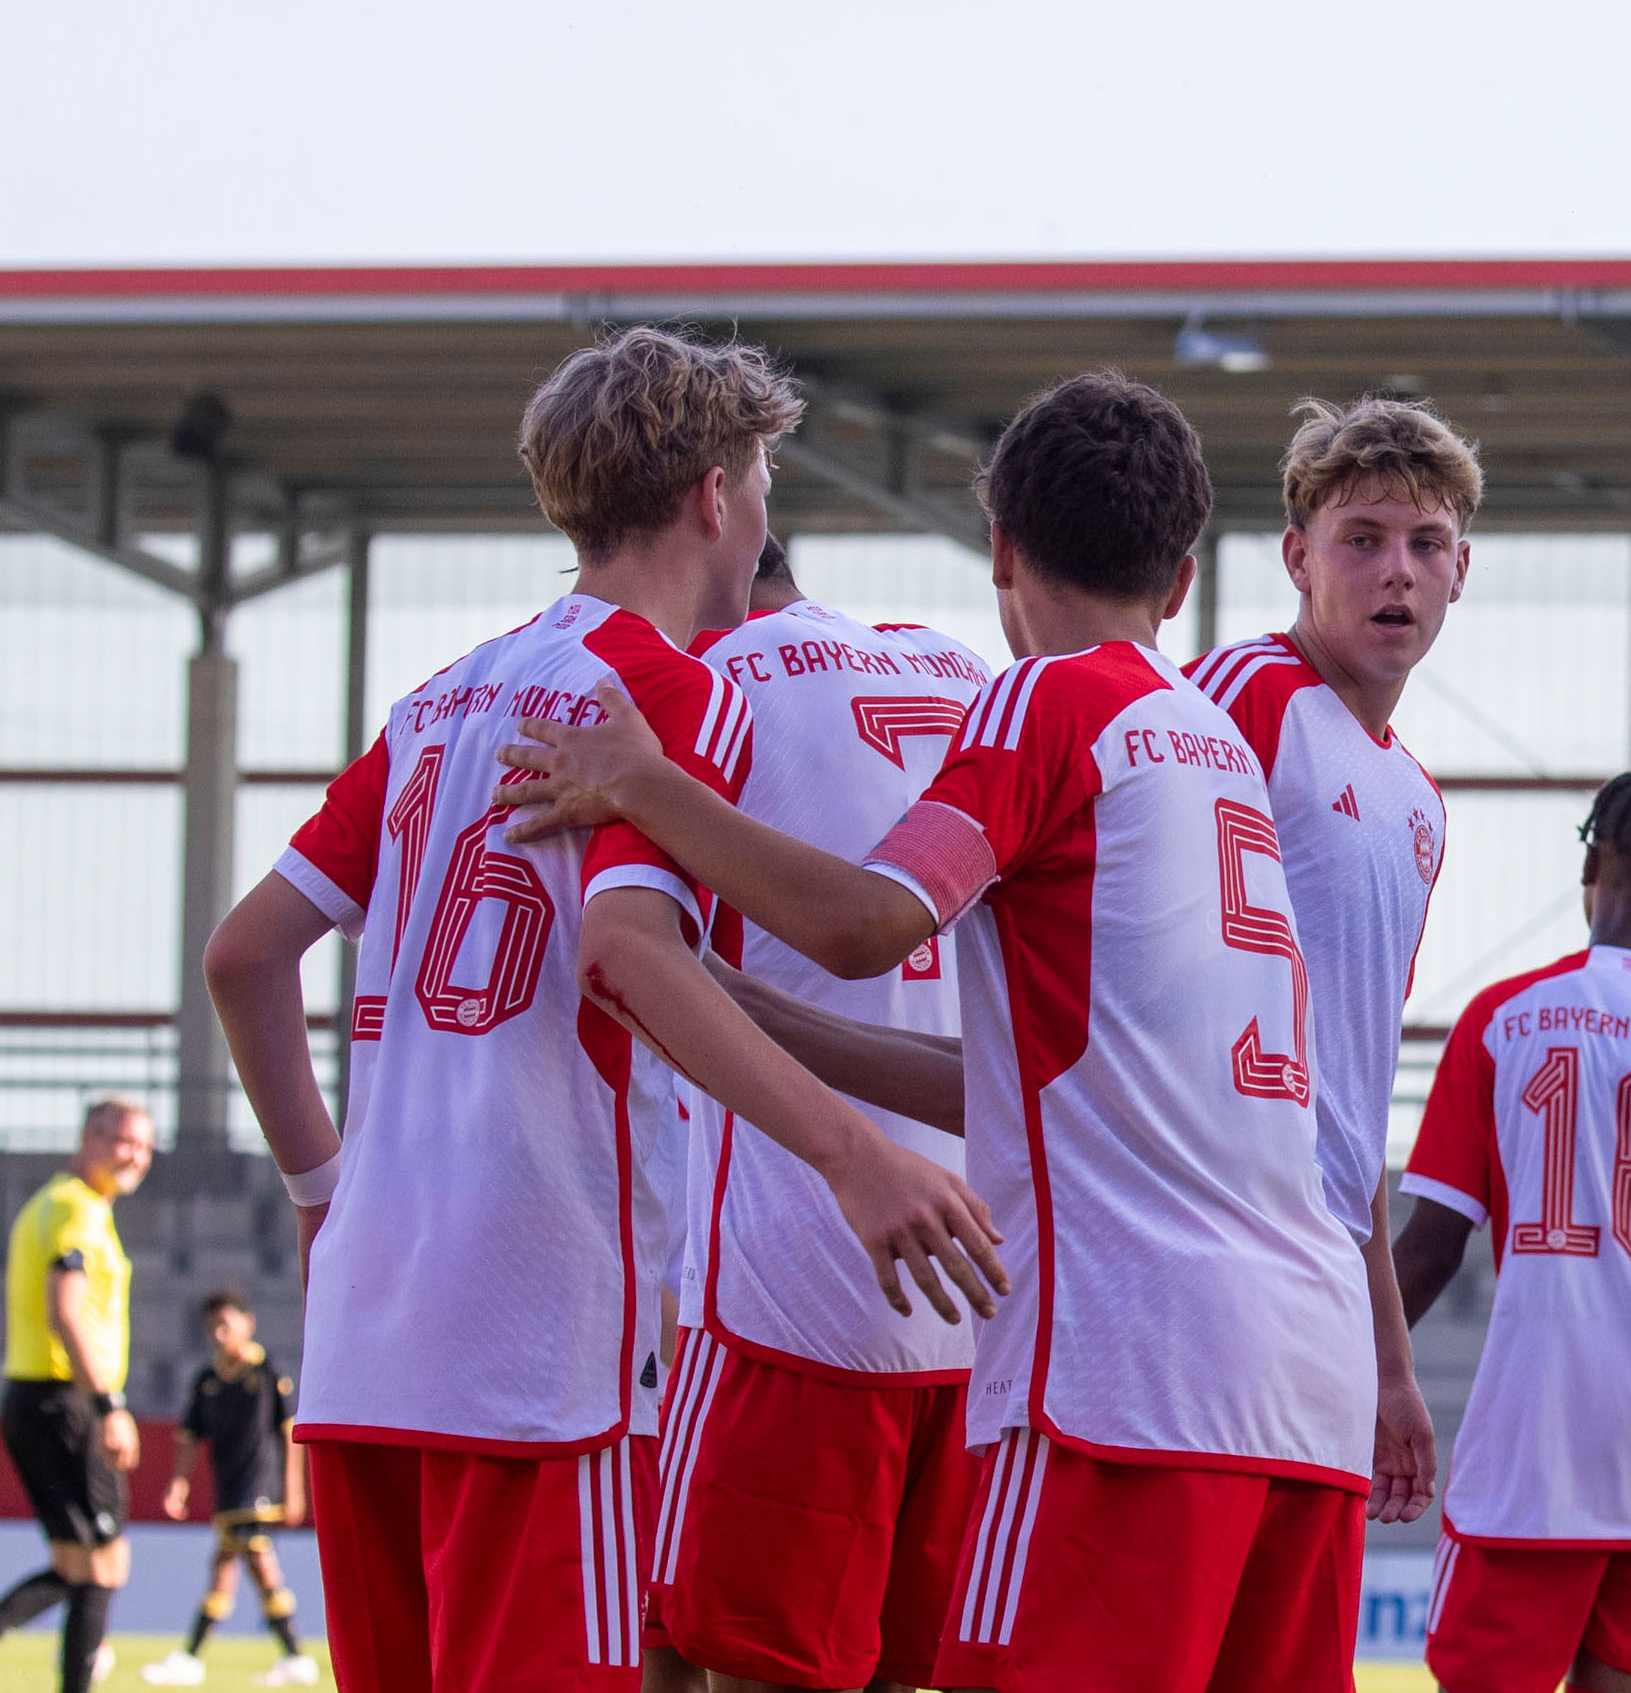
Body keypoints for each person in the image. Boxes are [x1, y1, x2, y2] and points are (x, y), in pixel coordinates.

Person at [490, 371, 1377, 1692]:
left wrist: (643, 785)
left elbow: (863, 922)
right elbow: (1034, 1084)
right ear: (1184, 578)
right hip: (1309, 1383)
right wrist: (737, 1005)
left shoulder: (1044, 702)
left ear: (1003, 551)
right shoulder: (1214, 745)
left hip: (1125, 1380)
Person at [202, 326, 1004, 1693]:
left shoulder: (435, 701)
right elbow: (624, 956)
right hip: (539, 1344)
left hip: (366, 1344)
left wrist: (319, 1189)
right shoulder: (671, 688)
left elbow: (245, 956)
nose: (763, 510)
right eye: (760, 477)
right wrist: (850, 1149)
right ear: (714, 495)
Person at [650, 534, 991, 1693]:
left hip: (787, 1275)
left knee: (697, 1649)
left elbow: (626, 958)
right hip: (978, 1285)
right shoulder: (968, 673)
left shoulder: (704, 688)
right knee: (904, 1670)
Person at [1392, 769, 1631, 1693]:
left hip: (1537, 1423)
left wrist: (1345, 1369)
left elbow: (1431, 1247)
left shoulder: (1498, 1021)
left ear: (1590, 860)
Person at [1185, 395, 1476, 1528]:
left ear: (1463, 570)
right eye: (1361, 540)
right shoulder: (1240, 699)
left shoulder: (1416, 799)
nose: (1394, 572)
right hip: (1204, 1252)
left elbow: (1349, 1112)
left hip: (1316, 1277)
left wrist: (1391, 1361)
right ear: (1298, 558)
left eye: (1424, 544)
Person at [0, 1096, 153, 1693]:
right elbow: (66, 1313)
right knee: (103, 1565)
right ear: (89, 1137)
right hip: (65, 1403)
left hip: (36, 1400)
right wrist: (109, 1406)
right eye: (123, 1141)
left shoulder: (50, 1202)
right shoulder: (77, 1211)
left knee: (75, 1564)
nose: (135, 1156)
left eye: (143, 1145)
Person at [144, 1292, 313, 1688]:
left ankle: (192, 1656)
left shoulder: (267, 1372)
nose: (219, 1335)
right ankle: (292, 1656)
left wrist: (294, 1489)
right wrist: (179, 1483)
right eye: (211, 1329)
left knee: (237, 1566)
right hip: (228, 1489)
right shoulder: (207, 1380)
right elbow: (189, 1437)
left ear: (247, 1323)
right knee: (249, 1569)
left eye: (226, 1325)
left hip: (259, 1488)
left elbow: (288, 1433)